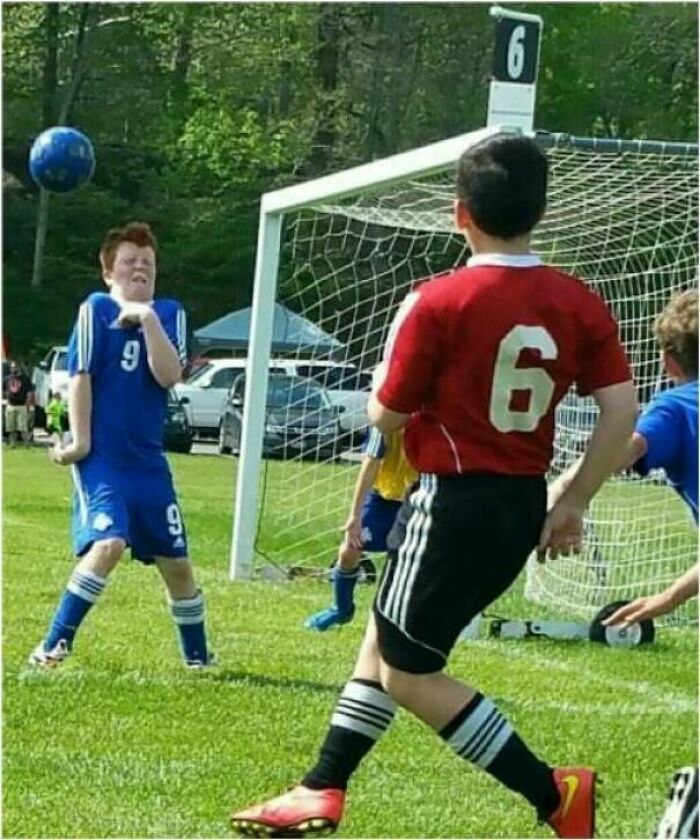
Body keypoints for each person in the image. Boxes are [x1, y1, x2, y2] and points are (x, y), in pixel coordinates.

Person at [230, 134, 637, 838]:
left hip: (450, 504)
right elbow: (622, 410)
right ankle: (321, 786)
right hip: (520, 502)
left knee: (409, 672)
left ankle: (554, 796)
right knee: (383, 641)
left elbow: (384, 413)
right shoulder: (578, 301)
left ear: (459, 214)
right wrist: (571, 500)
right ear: (541, 212)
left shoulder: (439, 299)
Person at [29, 221, 213, 669]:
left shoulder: (169, 313)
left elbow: (170, 375)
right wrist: (82, 442)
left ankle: (198, 660)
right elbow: (81, 377)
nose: (139, 269)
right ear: (108, 271)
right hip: (105, 458)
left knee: (178, 565)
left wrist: (147, 319)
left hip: (148, 462)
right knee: (108, 545)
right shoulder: (94, 309)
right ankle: (52, 647)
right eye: (129, 261)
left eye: (147, 263)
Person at [550, 288, 698, 840]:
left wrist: (568, 493)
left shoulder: (677, 407)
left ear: (665, 361)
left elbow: (625, 447)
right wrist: (666, 601)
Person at [305, 426, 417, 631]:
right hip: (383, 497)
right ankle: (341, 609)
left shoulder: (439, 418)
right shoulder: (387, 421)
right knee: (350, 549)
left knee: (410, 560)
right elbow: (370, 463)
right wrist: (354, 516)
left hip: (419, 499)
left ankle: (405, 620)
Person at [4, 361, 34, 447]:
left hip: (21, 406)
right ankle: (12, 444)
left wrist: (28, 404)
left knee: (23, 427)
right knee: (11, 427)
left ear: (19, 368)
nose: (13, 369)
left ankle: (26, 444)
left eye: (15, 367)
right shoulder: (7, 379)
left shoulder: (25, 379)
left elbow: (29, 392)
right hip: (10, 406)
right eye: (12, 367)